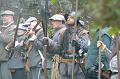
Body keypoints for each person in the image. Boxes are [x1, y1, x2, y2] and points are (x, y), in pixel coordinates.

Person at [42, 12, 90, 79]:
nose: (68, 18)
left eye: (71, 17)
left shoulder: (82, 33)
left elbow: (86, 48)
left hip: (76, 67)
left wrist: (77, 40)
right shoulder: (63, 32)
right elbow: (58, 49)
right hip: (63, 68)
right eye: (68, 17)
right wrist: (49, 42)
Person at [0, 10, 15, 79]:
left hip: (6, 58)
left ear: (11, 17)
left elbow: (10, 39)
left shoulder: (14, 28)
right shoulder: (2, 28)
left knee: (5, 77)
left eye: (6, 16)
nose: (4, 18)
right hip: (1, 57)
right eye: (3, 16)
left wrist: (0, 34)